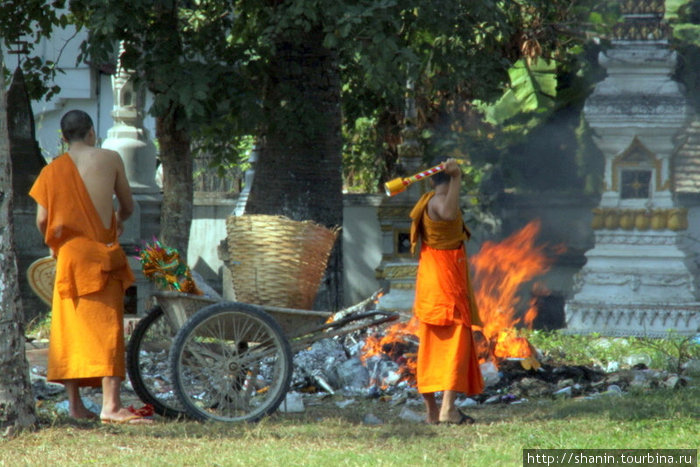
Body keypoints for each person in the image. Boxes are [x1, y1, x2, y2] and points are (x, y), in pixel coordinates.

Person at [29, 110, 151, 424]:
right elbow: (127, 206)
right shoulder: (109, 159)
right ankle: (110, 406)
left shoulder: (52, 170)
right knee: (108, 328)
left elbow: (42, 220)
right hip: (101, 256)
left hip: (69, 259)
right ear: (92, 133)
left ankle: (75, 405)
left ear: (63, 137)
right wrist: (116, 222)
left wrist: (58, 245)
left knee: (71, 331)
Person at [409, 157, 484, 424]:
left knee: (429, 347)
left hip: (433, 280)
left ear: (431, 180)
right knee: (457, 342)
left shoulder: (428, 199)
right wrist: (458, 178)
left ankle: (432, 412)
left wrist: (453, 178)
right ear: (446, 181)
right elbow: (450, 213)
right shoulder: (438, 202)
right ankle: (447, 409)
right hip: (445, 284)